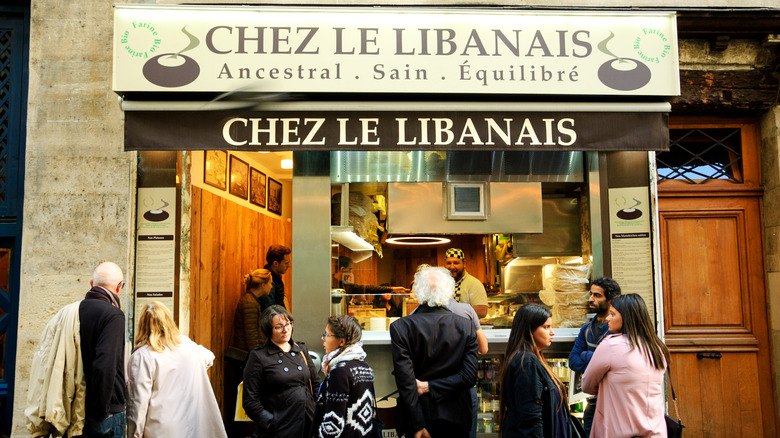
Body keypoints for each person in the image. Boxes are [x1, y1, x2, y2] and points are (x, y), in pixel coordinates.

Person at [390, 266, 478, 438]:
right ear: (450, 292)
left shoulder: (400, 327)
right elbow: (469, 377)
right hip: (456, 416)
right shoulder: (466, 326)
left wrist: (417, 425)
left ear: (417, 292)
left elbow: (406, 382)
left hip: (417, 415)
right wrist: (431, 386)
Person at [126, 302, 227, 438]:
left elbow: (137, 403)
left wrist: (134, 435)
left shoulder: (142, 356)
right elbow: (209, 357)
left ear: (142, 325)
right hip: (192, 426)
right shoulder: (186, 344)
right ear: (169, 321)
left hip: (161, 429)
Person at [412, 263, 488, 438]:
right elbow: (483, 348)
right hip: (460, 386)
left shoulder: (414, 315)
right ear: (451, 290)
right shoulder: (466, 311)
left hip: (425, 388)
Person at [581, 294, 670, 438]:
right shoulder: (657, 347)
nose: (607, 318)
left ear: (627, 317)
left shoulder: (611, 345)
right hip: (657, 432)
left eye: (612, 314)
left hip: (620, 432)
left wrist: (608, 387)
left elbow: (587, 385)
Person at [243, 305, 321, 437]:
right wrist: (270, 422)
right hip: (280, 428)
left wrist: (319, 411)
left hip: (308, 422)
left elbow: (316, 383)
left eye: (288, 324)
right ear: (268, 330)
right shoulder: (259, 356)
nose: (286, 330)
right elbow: (250, 401)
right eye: (279, 327)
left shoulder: (301, 349)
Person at [500, 303, 570, 438]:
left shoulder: (530, 359)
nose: (552, 332)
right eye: (546, 327)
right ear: (529, 330)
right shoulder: (527, 362)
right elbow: (530, 417)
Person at [568, 277, 621, 436]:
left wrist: (587, 355)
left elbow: (616, 364)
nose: (591, 299)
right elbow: (573, 360)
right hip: (594, 398)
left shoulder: (618, 329)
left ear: (610, 300)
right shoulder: (587, 329)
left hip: (615, 401)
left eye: (597, 295)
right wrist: (599, 368)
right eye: (591, 294)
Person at [80, 261, 128, 437]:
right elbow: (105, 366)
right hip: (106, 411)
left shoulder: (74, 310)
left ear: (92, 284)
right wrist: (99, 412)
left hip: (78, 406)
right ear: (119, 287)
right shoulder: (113, 315)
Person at [311, 315, 376, 438]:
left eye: (326, 335)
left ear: (341, 341)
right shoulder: (364, 366)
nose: (322, 338)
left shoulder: (339, 372)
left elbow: (333, 424)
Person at [334, 256, 407, 306]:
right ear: (342, 269)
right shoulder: (331, 284)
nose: (350, 273)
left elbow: (369, 288)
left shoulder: (347, 285)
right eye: (349, 269)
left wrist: (392, 289)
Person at [234, 268, 274, 351]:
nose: (271, 286)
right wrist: (258, 355)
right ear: (263, 285)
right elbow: (251, 335)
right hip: (246, 352)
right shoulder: (250, 303)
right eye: (270, 283)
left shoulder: (252, 299)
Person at [444, 248, 488, 318]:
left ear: (464, 264)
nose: (452, 267)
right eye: (448, 263)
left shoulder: (474, 283)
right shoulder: (442, 283)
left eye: (456, 263)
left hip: (466, 328)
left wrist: (452, 312)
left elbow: (482, 311)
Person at [265, 244, 292, 309]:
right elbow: (271, 310)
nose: (288, 266)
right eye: (286, 263)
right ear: (275, 263)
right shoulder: (267, 282)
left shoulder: (276, 278)